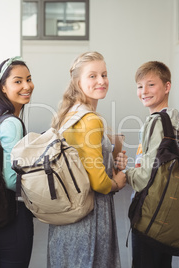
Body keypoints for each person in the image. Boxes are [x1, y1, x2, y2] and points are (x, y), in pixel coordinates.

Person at [47, 51, 128, 268]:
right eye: (92, 76)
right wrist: (118, 181)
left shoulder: (67, 115)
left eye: (104, 74)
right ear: (77, 82)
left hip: (66, 215)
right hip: (89, 217)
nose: (101, 81)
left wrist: (109, 156)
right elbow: (99, 182)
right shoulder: (90, 120)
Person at [125, 61, 179, 268]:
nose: (144, 91)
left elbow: (146, 177)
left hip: (149, 212)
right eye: (140, 86)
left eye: (151, 85)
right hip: (164, 212)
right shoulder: (171, 120)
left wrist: (125, 174)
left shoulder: (156, 123)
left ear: (167, 87)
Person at [0, 56, 34, 268]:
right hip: (12, 218)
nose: (27, 86)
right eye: (18, 81)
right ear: (3, 88)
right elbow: (11, 180)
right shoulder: (12, 123)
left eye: (28, 79)